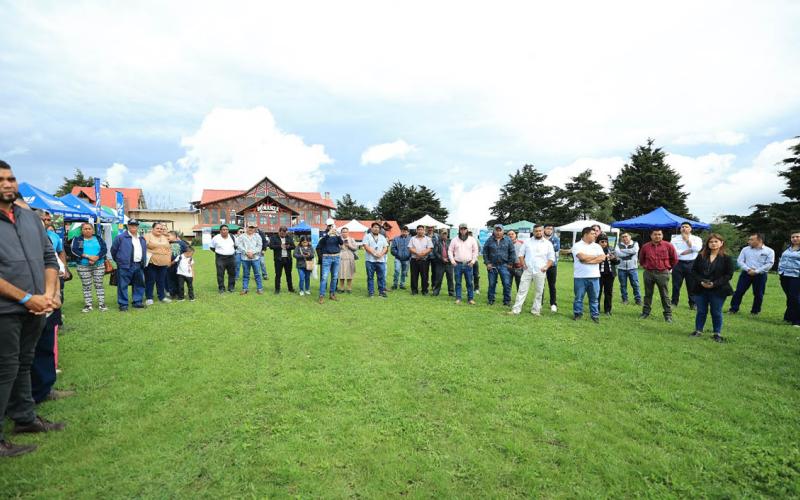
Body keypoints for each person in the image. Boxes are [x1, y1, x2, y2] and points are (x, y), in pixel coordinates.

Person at [0, 160, 64, 458]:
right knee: (5, 370)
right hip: (6, 310)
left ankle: (25, 419)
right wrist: (27, 298)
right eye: (1, 180)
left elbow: (49, 259)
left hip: (38, 307)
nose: (8, 183)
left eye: (11, 178)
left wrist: (49, 294)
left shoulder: (29, 218)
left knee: (24, 363)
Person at [689, 233, 734, 342]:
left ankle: (717, 333)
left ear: (721, 243)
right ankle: (698, 330)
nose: (713, 244)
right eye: (711, 242)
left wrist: (714, 284)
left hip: (719, 289)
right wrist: (701, 282)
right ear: (707, 244)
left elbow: (728, 274)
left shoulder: (726, 258)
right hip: (701, 288)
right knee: (701, 311)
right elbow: (694, 271)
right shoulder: (701, 256)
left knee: (716, 311)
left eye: (716, 241)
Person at [509, 224, 554, 316]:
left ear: (542, 231)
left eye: (540, 231)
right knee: (522, 290)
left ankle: (536, 311)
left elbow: (551, 258)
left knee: (539, 291)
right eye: (536, 231)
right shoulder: (527, 242)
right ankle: (516, 310)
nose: (538, 232)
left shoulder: (548, 243)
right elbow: (521, 254)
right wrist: (523, 264)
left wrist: (546, 267)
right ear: (533, 232)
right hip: (528, 270)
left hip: (540, 270)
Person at [727, 233, 775, 316]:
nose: (748, 241)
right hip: (746, 274)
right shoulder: (745, 249)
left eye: (751, 239)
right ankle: (733, 309)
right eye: (749, 239)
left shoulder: (769, 251)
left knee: (758, 293)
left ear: (759, 240)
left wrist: (756, 271)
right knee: (739, 291)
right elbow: (740, 261)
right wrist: (748, 269)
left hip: (760, 275)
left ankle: (755, 311)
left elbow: (769, 264)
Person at [639, 228, 679, 322]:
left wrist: (667, 268)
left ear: (662, 235)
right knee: (648, 294)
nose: (657, 236)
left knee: (665, 295)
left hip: (663, 273)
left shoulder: (668, 245)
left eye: (659, 234)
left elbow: (675, 259)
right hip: (649, 273)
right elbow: (641, 259)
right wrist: (646, 266)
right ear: (651, 235)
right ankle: (645, 313)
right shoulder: (645, 246)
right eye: (655, 234)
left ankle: (668, 315)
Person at [70, 222, 108, 313]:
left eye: (89, 228)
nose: (87, 230)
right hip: (83, 266)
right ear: (82, 231)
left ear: (93, 230)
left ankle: (102, 304)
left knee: (99, 284)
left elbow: (104, 249)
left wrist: (96, 257)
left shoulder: (98, 238)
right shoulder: (79, 240)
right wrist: (88, 257)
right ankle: (88, 305)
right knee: (86, 285)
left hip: (98, 265)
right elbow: (75, 250)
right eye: (85, 229)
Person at [110, 219, 147, 310]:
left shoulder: (142, 238)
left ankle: (137, 302)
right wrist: (120, 261)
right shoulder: (121, 237)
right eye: (131, 225)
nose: (133, 227)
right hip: (125, 265)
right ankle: (123, 304)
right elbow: (113, 250)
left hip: (139, 265)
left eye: (135, 225)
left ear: (138, 227)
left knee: (139, 284)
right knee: (123, 285)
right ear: (128, 226)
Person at [572, 227, 606, 323]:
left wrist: (588, 260)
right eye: (592, 233)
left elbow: (602, 258)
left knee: (594, 298)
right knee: (579, 297)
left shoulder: (597, 246)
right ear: (585, 234)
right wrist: (595, 257)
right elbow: (581, 257)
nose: (595, 235)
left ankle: (595, 315)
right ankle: (578, 314)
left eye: (595, 233)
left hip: (594, 276)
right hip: (580, 277)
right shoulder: (577, 245)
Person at [670, 222, 703, 310]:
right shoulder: (674, 239)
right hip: (678, 263)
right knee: (676, 285)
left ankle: (693, 304)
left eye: (686, 227)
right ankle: (674, 302)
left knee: (692, 285)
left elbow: (697, 249)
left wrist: (687, 240)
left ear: (690, 229)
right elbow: (673, 251)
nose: (684, 228)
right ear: (680, 229)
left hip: (692, 264)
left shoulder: (696, 238)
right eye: (682, 227)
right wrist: (689, 251)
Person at [483, 224, 516, 306]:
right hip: (492, 265)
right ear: (494, 231)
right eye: (496, 230)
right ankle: (491, 300)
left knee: (506, 283)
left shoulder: (508, 240)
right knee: (492, 283)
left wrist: (510, 263)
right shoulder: (489, 240)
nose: (498, 232)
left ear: (503, 231)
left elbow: (512, 252)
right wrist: (487, 263)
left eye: (499, 230)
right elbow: (485, 253)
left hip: (504, 265)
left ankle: (507, 301)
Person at [449, 223, 479, 305]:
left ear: (467, 230)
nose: (463, 230)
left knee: (469, 282)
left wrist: (473, 261)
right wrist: (452, 261)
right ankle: (458, 298)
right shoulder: (454, 240)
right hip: (457, 264)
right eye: (461, 229)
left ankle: (470, 299)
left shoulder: (472, 239)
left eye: (464, 229)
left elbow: (475, 251)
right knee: (458, 282)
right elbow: (450, 251)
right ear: (459, 230)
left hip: (469, 264)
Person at [144, 222, 172, 305]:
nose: (159, 230)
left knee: (161, 280)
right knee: (150, 280)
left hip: (163, 262)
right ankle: (149, 297)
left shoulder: (164, 237)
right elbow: (143, 247)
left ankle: (162, 296)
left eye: (161, 229)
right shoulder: (147, 236)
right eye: (157, 228)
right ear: (152, 229)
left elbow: (169, 249)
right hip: (151, 262)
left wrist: (169, 259)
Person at [316, 218, 344, 303]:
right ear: (327, 225)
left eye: (331, 225)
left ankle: (332, 294)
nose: (330, 227)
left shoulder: (336, 233)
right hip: (326, 257)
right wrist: (328, 234)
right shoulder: (323, 233)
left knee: (334, 277)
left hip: (336, 257)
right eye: (329, 225)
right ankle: (321, 295)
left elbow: (341, 243)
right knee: (324, 277)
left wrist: (338, 234)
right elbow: (321, 243)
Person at [778, 231, 800, 327]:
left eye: (797, 237)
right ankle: (788, 317)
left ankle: (797, 321)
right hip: (784, 275)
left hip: (796, 276)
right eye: (793, 237)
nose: (794, 238)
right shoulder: (788, 249)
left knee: (794, 297)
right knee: (789, 297)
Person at [363, 222, 389, 298]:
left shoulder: (382, 237)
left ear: (380, 229)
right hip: (370, 260)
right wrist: (374, 253)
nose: (376, 228)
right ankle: (371, 292)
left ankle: (382, 292)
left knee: (381, 277)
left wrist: (381, 254)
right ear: (371, 228)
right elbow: (366, 246)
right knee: (370, 277)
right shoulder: (367, 236)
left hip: (381, 260)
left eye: (377, 227)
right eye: (374, 227)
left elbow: (385, 247)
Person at [615, 232, 642, 305]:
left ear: (630, 237)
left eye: (626, 236)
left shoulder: (635, 243)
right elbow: (618, 253)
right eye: (623, 237)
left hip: (633, 268)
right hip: (621, 268)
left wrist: (622, 251)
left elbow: (634, 251)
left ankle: (638, 300)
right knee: (623, 285)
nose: (624, 238)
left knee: (635, 284)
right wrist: (629, 253)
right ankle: (625, 300)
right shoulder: (618, 244)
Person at [597, 234, 619, 316]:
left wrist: (614, 258)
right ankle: (596, 309)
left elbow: (617, 262)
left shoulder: (611, 249)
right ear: (598, 242)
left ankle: (608, 310)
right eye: (602, 241)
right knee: (597, 292)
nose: (604, 243)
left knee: (608, 292)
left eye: (606, 241)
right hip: (598, 274)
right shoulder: (595, 250)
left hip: (610, 274)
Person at [238, 224, 264, 295]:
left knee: (257, 274)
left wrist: (253, 253)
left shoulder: (257, 236)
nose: (251, 229)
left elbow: (260, 246)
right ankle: (245, 289)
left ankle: (259, 289)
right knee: (246, 274)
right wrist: (246, 252)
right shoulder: (241, 236)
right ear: (246, 228)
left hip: (255, 258)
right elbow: (239, 246)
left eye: (253, 228)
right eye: (250, 227)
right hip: (245, 258)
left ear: (254, 229)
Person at [210, 224, 236, 294]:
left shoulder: (232, 237)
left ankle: (231, 287)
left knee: (232, 273)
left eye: (226, 230)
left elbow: (235, 246)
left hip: (231, 258)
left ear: (228, 230)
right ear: (220, 231)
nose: (225, 231)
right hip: (220, 258)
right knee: (220, 274)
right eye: (223, 230)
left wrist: (230, 252)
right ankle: (221, 288)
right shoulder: (216, 238)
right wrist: (220, 252)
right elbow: (212, 247)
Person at [269, 226, 296, 294]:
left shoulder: (289, 237)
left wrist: (288, 247)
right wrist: (280, 246)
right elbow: (271, 246)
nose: (283, 235)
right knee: (278, 274)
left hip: (288, 259)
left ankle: (290, 288)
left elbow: (294, 246)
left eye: (285, 233)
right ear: (279, 232)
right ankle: (277, 289)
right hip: (278, 259)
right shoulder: (274, 237)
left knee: (289, 274)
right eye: (282, 233)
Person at [408, 225, 433, 295]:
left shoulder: (428, 239)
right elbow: (410, 248)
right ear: (416, 230)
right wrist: (417, 253)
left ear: (424, 230)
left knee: (425, 276)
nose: (420, 231)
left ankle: (424, 291)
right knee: (414, 275)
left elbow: (430, 248)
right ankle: (414, 290)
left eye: (422, 229)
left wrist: (422, 255)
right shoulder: (412, 238)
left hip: (424, 260)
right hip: (414, 260)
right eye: (419, 229)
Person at [431, 229, 454, 297]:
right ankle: (436, 292)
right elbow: (435, 252)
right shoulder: (437, 242)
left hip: (449, 263)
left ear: (447, 234)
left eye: (445, 233)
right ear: (440, 234)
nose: (444, 235)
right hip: (440, 263)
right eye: (443, 233)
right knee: (438, 278)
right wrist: (442, 258)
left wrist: (449, 259)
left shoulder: (451, 242)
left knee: (450, 278)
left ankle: (451, 292)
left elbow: (454, 251)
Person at [166, 231, 189, 298]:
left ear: (174, 236)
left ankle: (180, 293)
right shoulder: (167, 243)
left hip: (179, 265)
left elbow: (187, 251)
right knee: (170, 279)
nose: (167, 237)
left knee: (179, 279)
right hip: (169, 265)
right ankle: (172, 294)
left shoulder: (182, 243)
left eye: (169, 236)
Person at [543, 224, 560, 312]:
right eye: (547, 228)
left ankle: (553, 303)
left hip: (552, 265)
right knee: (541, 285)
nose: (549, 230)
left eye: (551, 229)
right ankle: (539, 302)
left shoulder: (555, 239)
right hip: (541, 265)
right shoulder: (539, 238)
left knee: (552, 285)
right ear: (544, 229)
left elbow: (556, 248)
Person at [337, 227, 358, 294]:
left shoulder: (351, 239)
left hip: (349, 257)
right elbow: (335, 248)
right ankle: (341, 288)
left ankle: (349, 288)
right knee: (341, 273)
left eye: (346, 232)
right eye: (343, 232)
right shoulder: (338, 239)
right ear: (341, 233)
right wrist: (340, 246)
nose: (344, 233)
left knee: (349, 273)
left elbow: (355, 248)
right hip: (341, 258)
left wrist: (349, 245)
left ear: (348, 232)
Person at [390, 225, 411, 290]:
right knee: (397, 270)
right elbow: (392, 249)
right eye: (402, 231)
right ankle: (395, 284)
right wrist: (398, 254)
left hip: (407, 259)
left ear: (408, 232)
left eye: (405, 231)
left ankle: (402, 284)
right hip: (398, 258)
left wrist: (409, 256)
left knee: (404, 272)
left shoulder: (411, 239)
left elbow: (412, 248)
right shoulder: (396, 238)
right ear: (401, 231)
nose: (404, 233)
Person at [469, 230, 481, 295]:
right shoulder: (464, 241)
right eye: (468, 233)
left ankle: (476, 288)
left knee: (476, 275)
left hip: (475, 260)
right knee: (468, 275)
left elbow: (480, 248)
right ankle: (469, 288)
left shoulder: (476, 240)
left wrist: (475, 254)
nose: (469, 234)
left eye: (470, 233)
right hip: (468, 261)